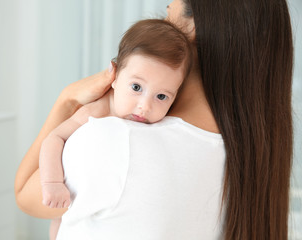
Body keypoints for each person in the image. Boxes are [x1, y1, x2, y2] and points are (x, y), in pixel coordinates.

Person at [15, 0, 294, 239]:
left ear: (194, 25)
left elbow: (25, 194)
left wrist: (67, 99)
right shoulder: (255, 155)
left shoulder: (115, 140)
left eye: (166, 15)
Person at [39, 18, 192, 239]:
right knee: (59, 221)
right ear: (115, 76)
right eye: (136, 87)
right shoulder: (95, 111)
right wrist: (52, 183)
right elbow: (54, 139)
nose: (145, 106)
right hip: (68, 197)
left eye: (161, 96)